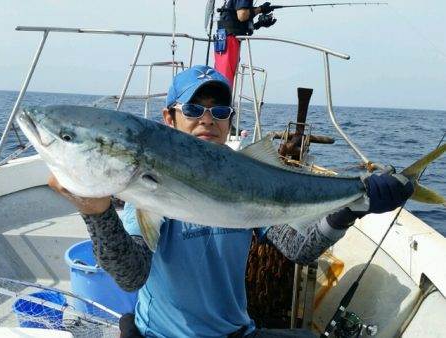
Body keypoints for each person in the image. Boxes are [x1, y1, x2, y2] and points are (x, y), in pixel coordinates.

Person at [48, 65, 413, 338]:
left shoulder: (247, 178)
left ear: (228, 123)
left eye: (220, 111)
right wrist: (97, 214)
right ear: (169, 118)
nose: (207, 119)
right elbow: (132, 276)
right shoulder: (146, 193)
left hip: (239, 332)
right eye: (193, 109)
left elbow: (299, 248)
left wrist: (351, 208)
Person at [214, 1, 277, 86]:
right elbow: (242, 15)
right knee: (225, 82)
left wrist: (258, 24)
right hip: (230, 41)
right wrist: (260, 9)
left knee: (220, 78)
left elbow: (234, 18)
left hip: (222, 39)